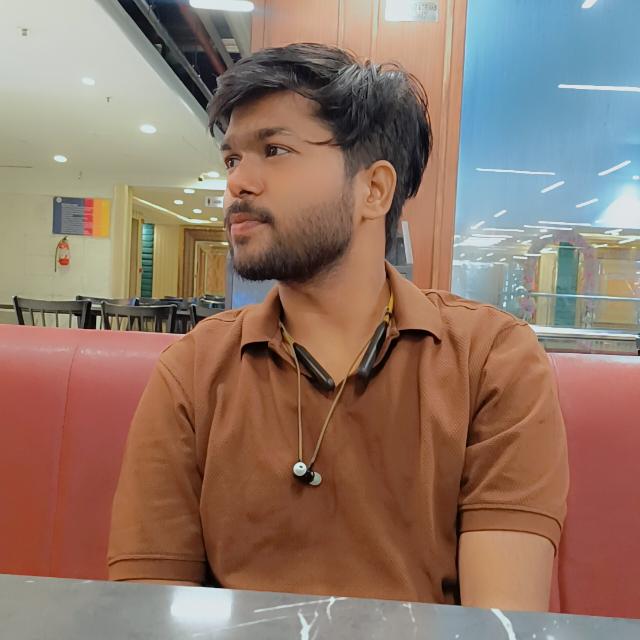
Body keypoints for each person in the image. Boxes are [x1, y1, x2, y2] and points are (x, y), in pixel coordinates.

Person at [108, 43, 568, 611]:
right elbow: (149, 611)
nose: (238, 183)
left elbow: (499, 624)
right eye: (232, 160)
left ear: (374, 189)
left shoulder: (491, 361)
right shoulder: (194, 369)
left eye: (275, 150)